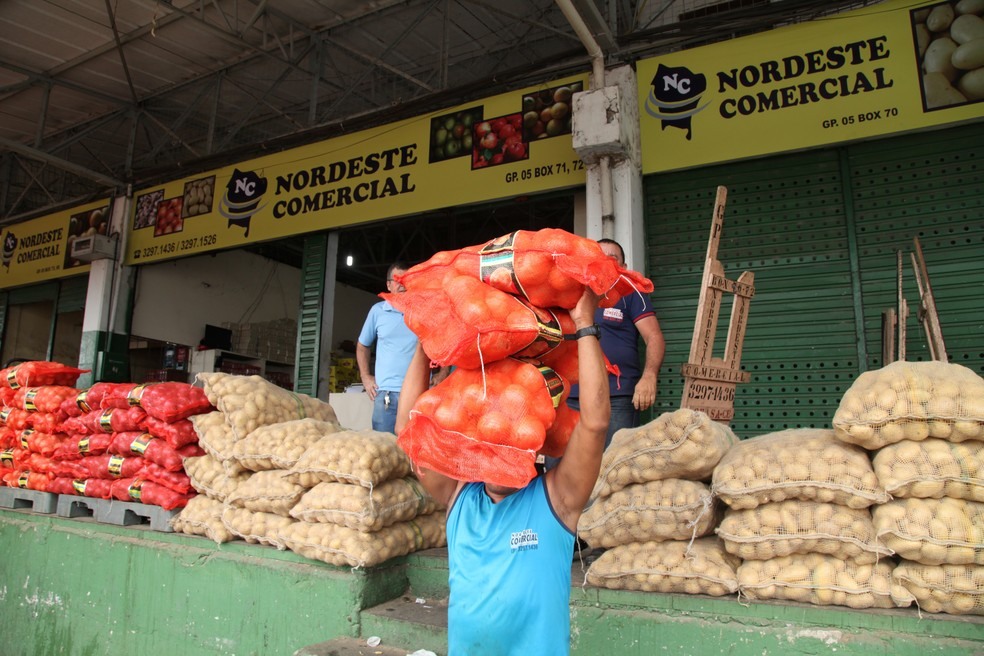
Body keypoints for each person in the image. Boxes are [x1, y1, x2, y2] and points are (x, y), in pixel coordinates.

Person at [395, 286, 610, 656]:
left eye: (510, 440)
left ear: (533, 448)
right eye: (491, 438)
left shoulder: (557, 500)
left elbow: (594, 422)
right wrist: (424, 342)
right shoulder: (458, 497)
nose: (499, 450)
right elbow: (408, 431)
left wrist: (585, 325)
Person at [568, 238, 665, 448]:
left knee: (614, 467)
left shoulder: (631, 292)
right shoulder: (572, 294)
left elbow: (654, 337)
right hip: (572, 395)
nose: (604, 262)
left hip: (617, 396)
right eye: (598, 257)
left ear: (624, 267)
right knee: (561, 469)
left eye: (612, 259)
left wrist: (649, 376)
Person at [356, 261, 419, 434]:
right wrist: (366, 376)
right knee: (385, 451)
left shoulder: (422, 311)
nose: (402, 284)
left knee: (413, 454)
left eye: (406, 279)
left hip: (418, 394)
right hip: (386, 395)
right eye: (397, 280)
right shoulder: (378, 311)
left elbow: (440, 342)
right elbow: (362, 346)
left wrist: (442, 373)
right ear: (388, 285)